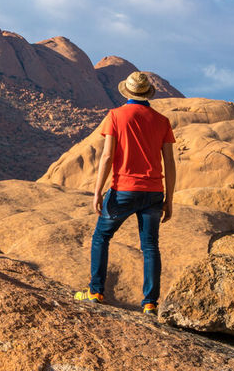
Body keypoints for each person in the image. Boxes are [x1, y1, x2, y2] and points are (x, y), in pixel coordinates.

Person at [75, 70, 178, 315]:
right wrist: (169, 199)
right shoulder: (161, 121)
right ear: (146, 93)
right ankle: (150, 303)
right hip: (153, 192)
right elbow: (170, 163)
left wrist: (97, 190)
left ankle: (95, 292)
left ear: (128, 92)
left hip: (123, 190)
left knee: (101, 237)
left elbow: (108, 156)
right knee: (150, 246)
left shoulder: (116, 116)